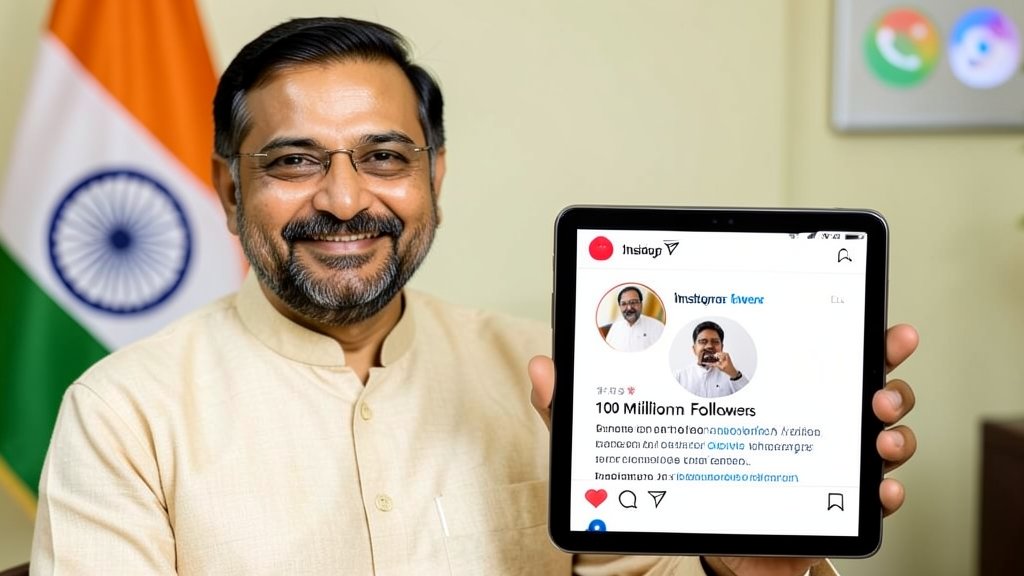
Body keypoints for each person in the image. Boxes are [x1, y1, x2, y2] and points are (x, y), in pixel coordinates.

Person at [30, 17, 919, 576]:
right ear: (227, 188)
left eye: (384, 156)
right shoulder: (122, 415)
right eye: (295, 161)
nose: (345, 199)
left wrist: (743, 571)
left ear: (434, 175)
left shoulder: (557, 378)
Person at [675, 320, 748, 398]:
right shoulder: (680, 377)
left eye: (715, 342)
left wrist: (734, 373)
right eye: (703, 341)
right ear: (694, 349)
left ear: (722, 348)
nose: (709, 346)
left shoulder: (733, 374)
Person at [604, 286, 665, 351]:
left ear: (641, 304)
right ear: (620, 306)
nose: (629, 308)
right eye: (624, 304)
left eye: (633, 302)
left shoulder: (657, 327)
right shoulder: (615, 327)